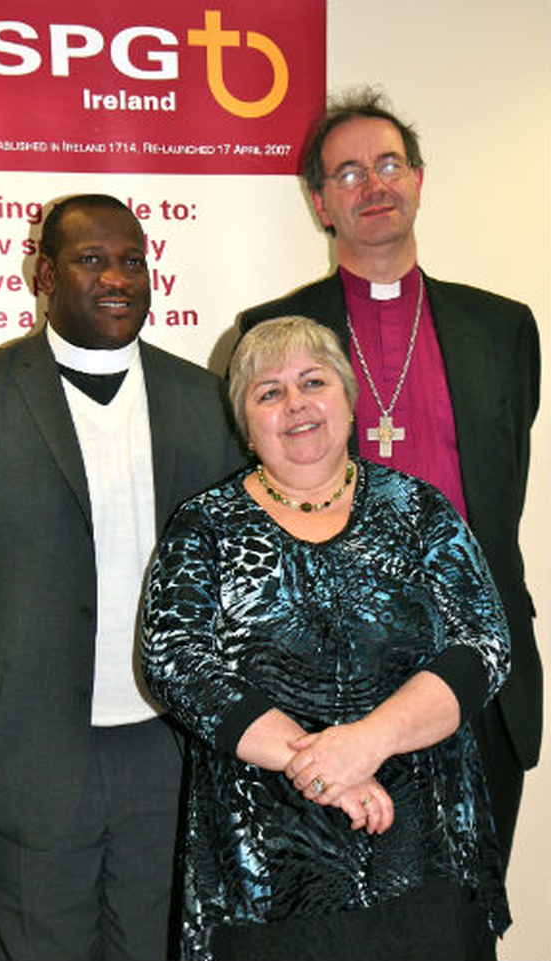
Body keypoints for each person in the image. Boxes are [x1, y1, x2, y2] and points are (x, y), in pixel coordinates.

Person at [0, 193, 243, 960]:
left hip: (170, 751)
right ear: (46, 274)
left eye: (133, 260)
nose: (117, 278)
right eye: (92, 260)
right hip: (27, 751)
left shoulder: (204, 402)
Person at [142, 316, 512, 961]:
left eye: (313, 382)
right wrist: (322, 767)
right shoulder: (204, 526)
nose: (296, 405)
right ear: (245, 423)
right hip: (267, 869)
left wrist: (369, 741)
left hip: (424, 851)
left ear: (347, 397)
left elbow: (483, 644)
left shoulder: (418, 509)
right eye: (269, 392)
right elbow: (176, 663)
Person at [238, 88, 541, 870]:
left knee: (471, 915)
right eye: (347, 173)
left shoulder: (502, 328)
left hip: (480, 672)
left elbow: (507, 484)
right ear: (319, 203)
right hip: (334, 689)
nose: (373, 185)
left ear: (417, 178)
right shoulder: (269, 332)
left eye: (388, 165)